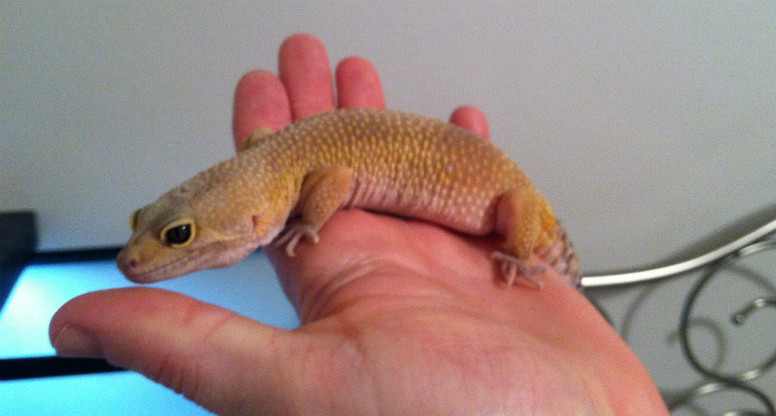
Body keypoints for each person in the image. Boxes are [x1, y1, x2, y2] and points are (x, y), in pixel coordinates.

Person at [50, 34, 669, 415]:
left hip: (509, 203)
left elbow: (336, 181)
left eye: (175, 234)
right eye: (154, 229)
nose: (139, 256)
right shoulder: (267, 166)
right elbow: (269, 145)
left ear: (255, 217)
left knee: (524, 228)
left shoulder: (278, 177)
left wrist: (522, 252)